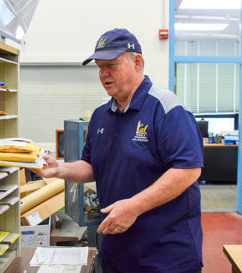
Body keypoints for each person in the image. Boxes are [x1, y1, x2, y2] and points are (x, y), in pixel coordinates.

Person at [34, 28, 204, 273]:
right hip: (117, 252)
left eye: (111, 65)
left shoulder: (167, 109)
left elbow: (188, 170)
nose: (104, 74)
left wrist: (134, 207)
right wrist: (60, 169)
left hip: (166, 256)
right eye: (99, 67)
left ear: (136, 62)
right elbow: (92, 165)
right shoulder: (101, 114)